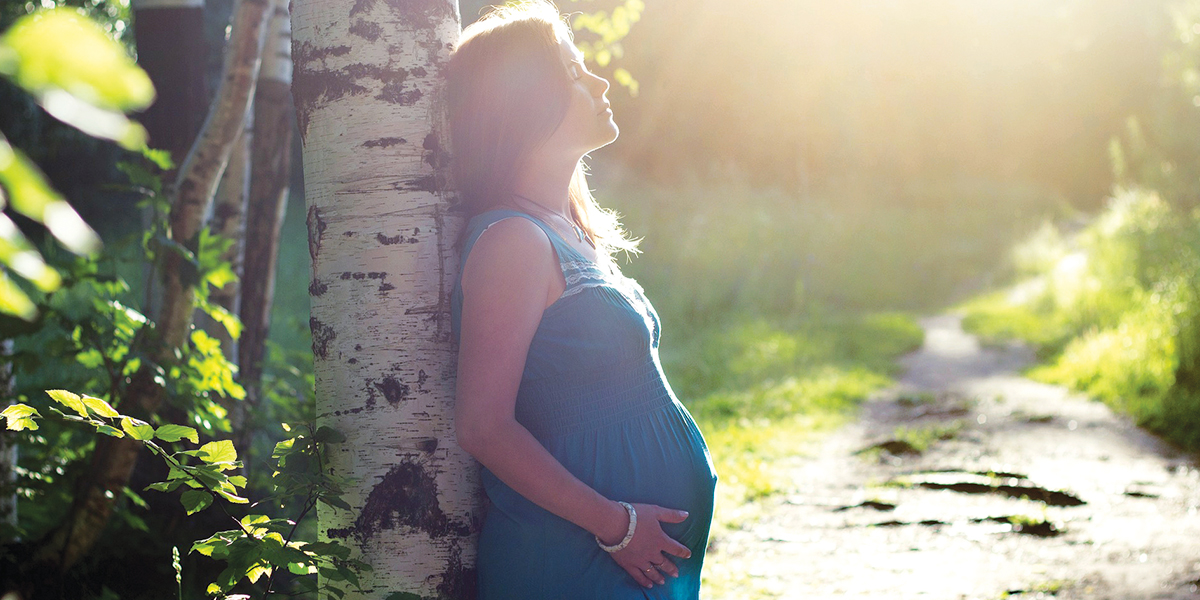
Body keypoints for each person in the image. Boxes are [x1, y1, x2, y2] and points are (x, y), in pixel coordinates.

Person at [447, 2, 717, 598]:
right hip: (574, 559)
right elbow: (483, 425)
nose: (598, 82)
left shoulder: (565, 229)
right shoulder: (512, 241)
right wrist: (616, 527)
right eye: (573, 71)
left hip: (625, 561)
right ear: (526, 103)